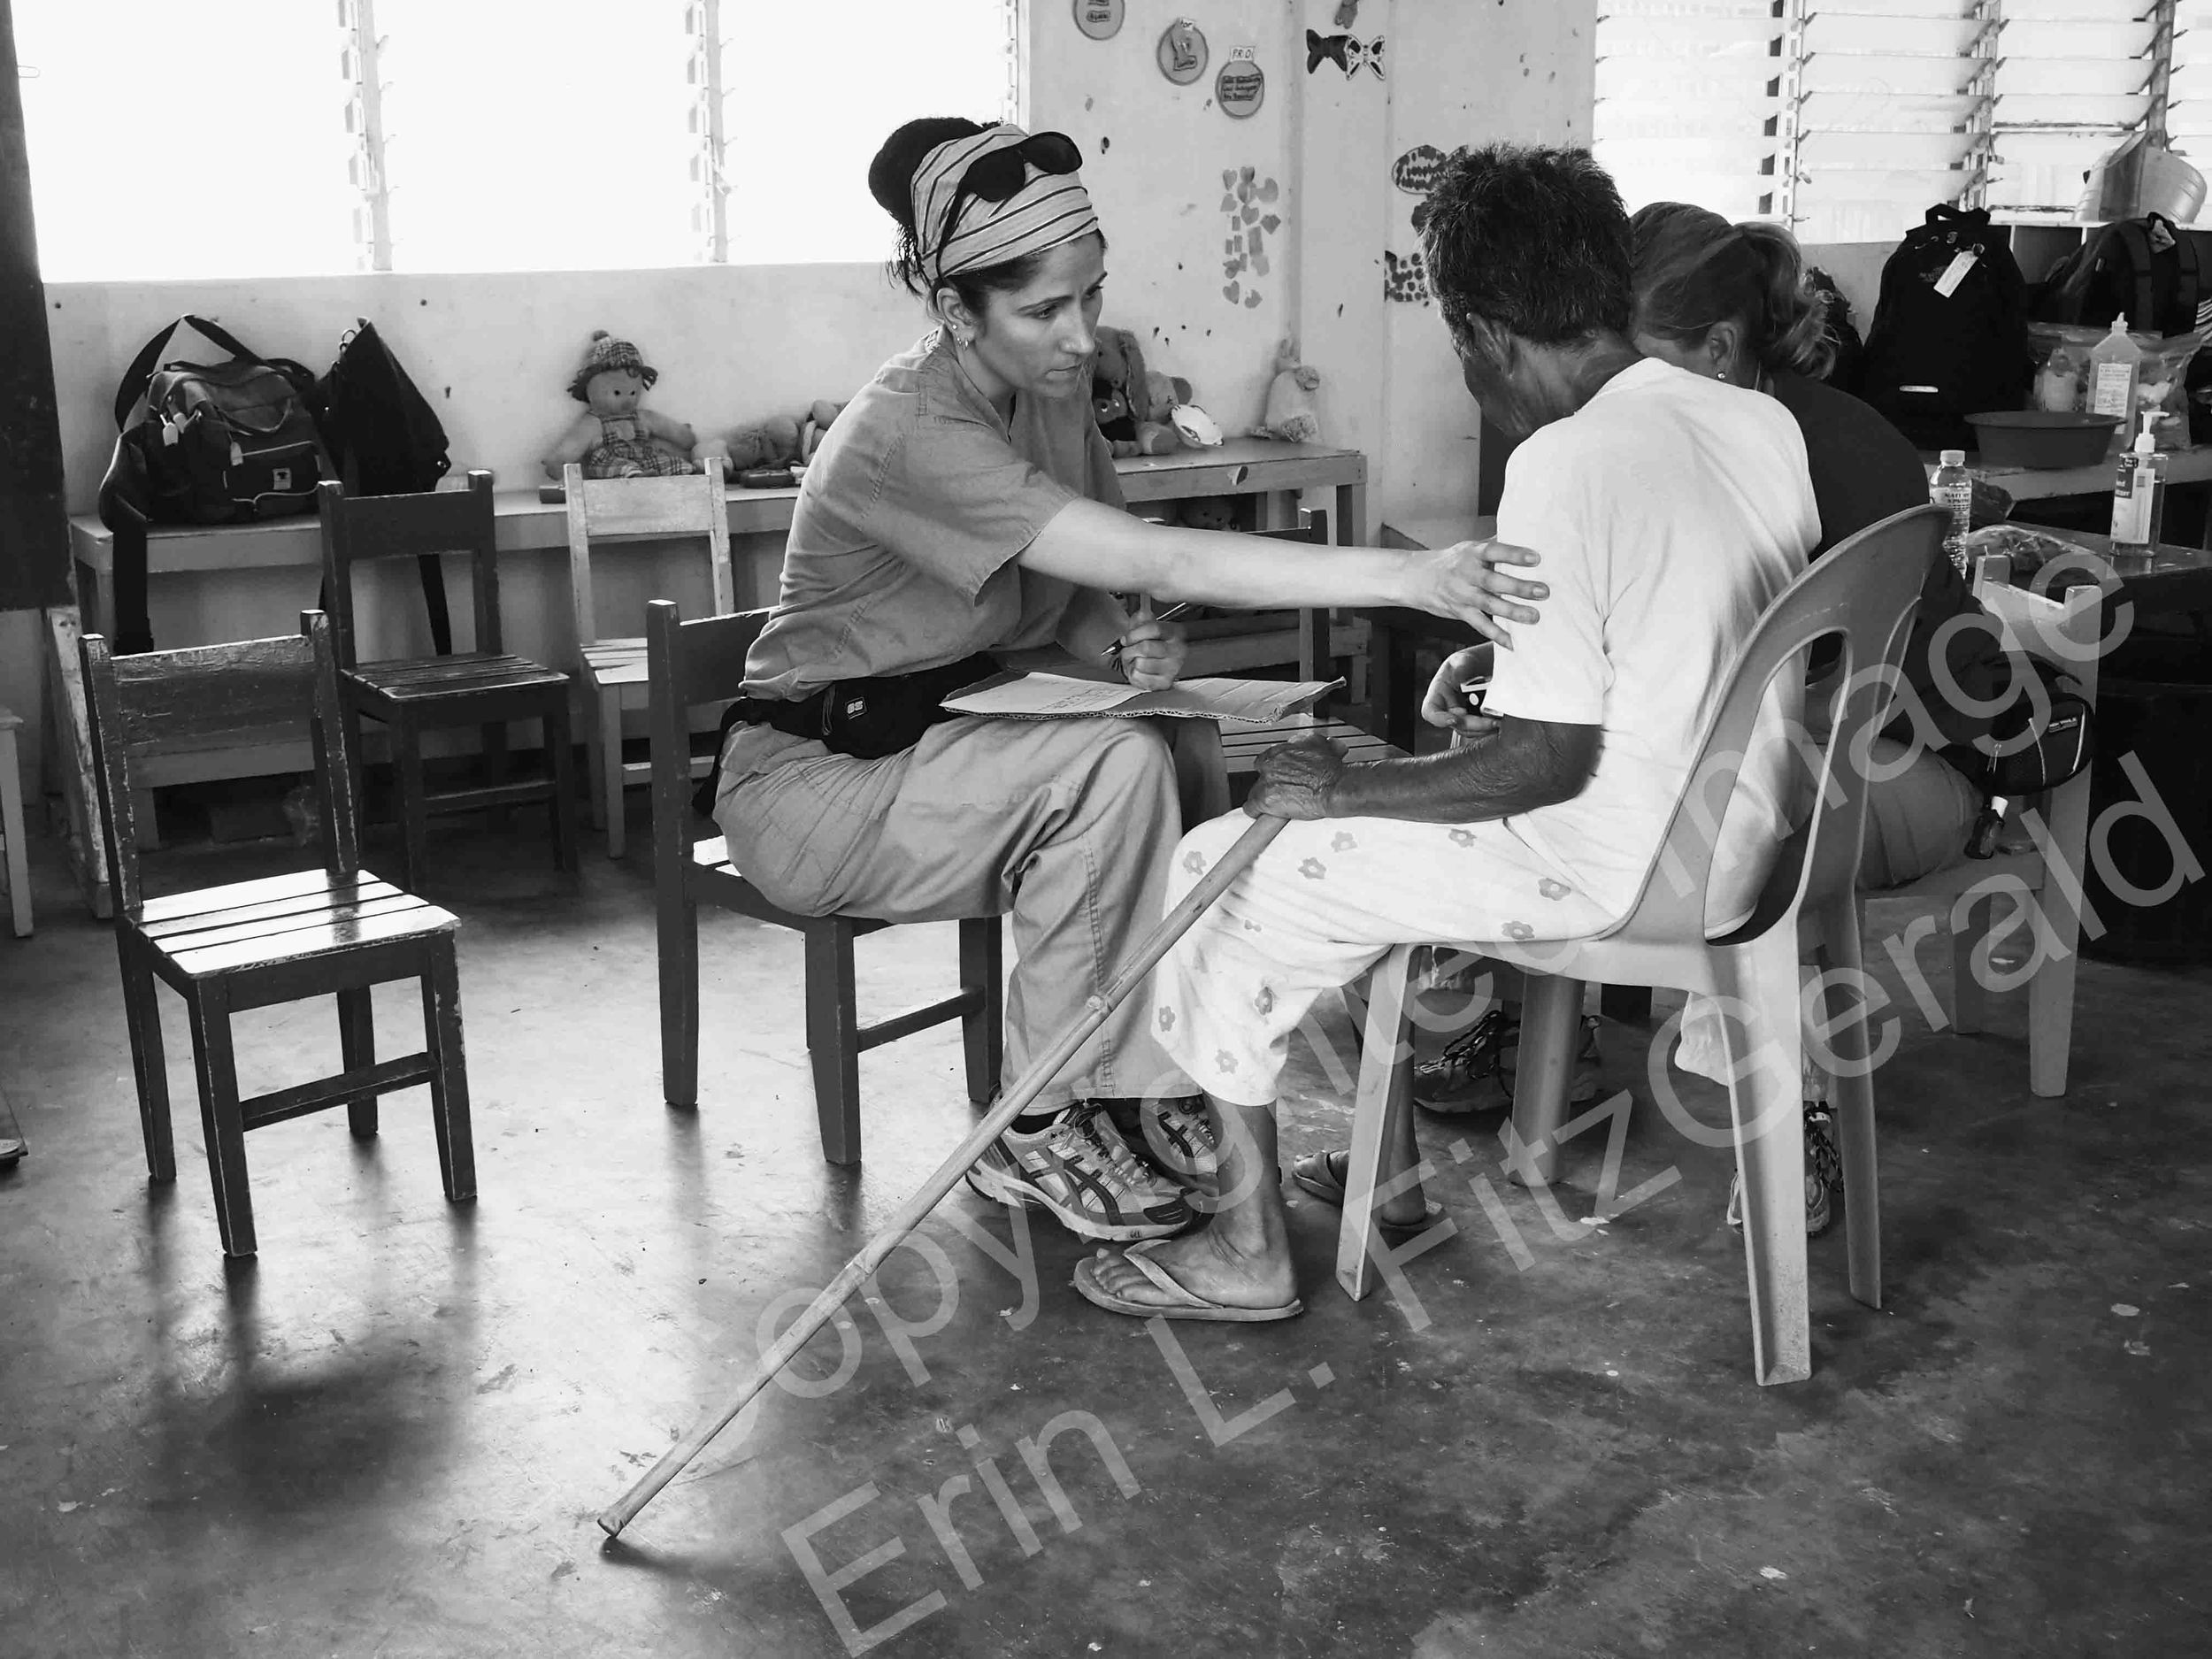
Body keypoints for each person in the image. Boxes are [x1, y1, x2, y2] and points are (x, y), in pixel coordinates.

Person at [716, 118, 1544, 1248]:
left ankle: (1145, 1086)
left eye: (1089, 298)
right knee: (1112, 767)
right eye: (1044, 310)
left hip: (954, 736)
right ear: (956, 310)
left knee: (1187, 745)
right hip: (817, 783)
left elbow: (1093, 582)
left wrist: (1122, 641)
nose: (1079, 337)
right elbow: (1157, 555)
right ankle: (1038, 1121)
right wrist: (1419, 575)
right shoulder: (905, 430)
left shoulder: (1051, 391)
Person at [1072, 143, 1820, 1323]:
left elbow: (1548, 760)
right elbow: (1678, 637)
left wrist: (1336, 793)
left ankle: (1247, 1244)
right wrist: (1504, 664)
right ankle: (1397, 1185)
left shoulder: (1564, 461)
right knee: (1370, 801)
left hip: (1619, 873)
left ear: (1479, 331)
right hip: (1756, 842)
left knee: (1223, 862)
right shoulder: (1754, 423)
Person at [1627, 203, 2016, 1235]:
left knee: (1701, 801)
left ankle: (1788, 1109)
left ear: (1714, 347)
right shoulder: (1752, 429)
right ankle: (1534, 1042)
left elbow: (1806, 683)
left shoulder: (1794, 449)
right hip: (1854, 764)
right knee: (1651, 778)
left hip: (1900, 775)